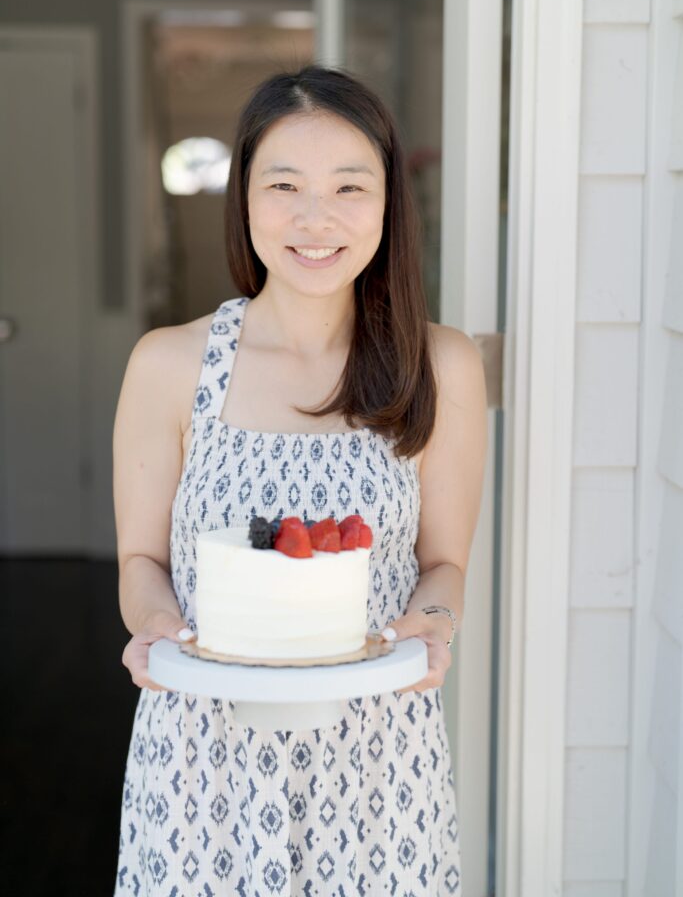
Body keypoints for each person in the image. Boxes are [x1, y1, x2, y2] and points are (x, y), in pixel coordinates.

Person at [113, 63, 487, 896]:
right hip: (203, 748)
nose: (315, 218)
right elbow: (140, 563)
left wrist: (428, 628)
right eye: (284, 184)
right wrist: (159, 630)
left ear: (389, 205)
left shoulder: (441, 364)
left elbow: (445, 565)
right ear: (243, 198)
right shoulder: (170, 363)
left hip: (380, 752)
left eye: (349, 187)